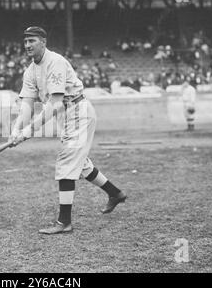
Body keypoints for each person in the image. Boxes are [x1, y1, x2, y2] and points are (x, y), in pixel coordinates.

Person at [8, 26, 127, 235]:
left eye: (32, 41)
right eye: (25, 41)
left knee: (66, 162)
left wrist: (27, 132)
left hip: (77, 111)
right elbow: (26, 105)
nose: (27, 45)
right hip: (66, 115)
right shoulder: (30, 71)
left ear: (43, 42)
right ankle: (115, 193)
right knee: (80, 165)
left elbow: (53, 104)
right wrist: (15, 130)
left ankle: (64, 222)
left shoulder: (55, 62)